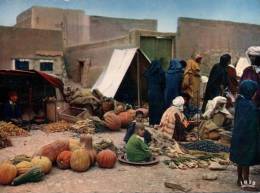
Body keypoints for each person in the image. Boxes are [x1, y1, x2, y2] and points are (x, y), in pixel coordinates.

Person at [230, 80, 259, 191]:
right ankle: (246, 182)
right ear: (250, 91)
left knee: (240, 160)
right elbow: (253, 119)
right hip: (247, 136)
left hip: (238, 134)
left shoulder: (240, 102)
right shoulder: (250, 106)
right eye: (254, 92)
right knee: (246, 160)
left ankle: (239, 179)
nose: (255, 94)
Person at [144, 60, 165, 126]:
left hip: (150, 92)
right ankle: (158, 122)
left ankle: (152, 122)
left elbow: (145, 77)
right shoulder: (161, 73)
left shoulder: (149, 72)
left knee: (152, 107)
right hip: (158, 92)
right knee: (158, 108)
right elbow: (164, 84)